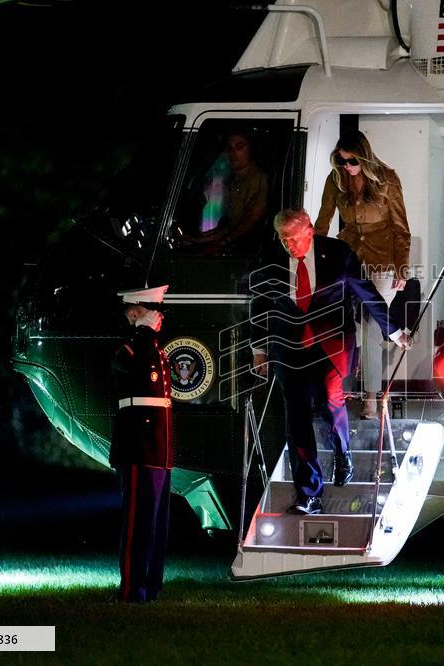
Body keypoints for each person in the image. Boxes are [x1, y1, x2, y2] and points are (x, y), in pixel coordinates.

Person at [251, 209, 411, 515]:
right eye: (283, 239)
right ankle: (309, 494)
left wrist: (395, 331)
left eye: (293, 238)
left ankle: (342, 451)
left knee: (329, 399)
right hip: (289, 347)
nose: (288, 245)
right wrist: (259, 348)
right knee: (296, 418)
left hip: (331, 344)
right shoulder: (270, 257)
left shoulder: (337, 254)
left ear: (309, 231)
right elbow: (259, 303)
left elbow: (368, 295)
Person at [314, 130, 411, 419]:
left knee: (371, 325)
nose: (347, 167)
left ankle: (371, 396)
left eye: (351, 161)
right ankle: (338, 390)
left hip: (383, 259)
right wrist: (313, 258)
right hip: (349, 256)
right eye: (341, 161)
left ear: (364, 157)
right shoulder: (336, 179)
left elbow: (400, 227)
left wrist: (402, 266)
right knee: (341, 323)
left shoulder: (387, 179)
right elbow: (323, 220)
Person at [110, 284, 173, 603]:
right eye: (153, 310)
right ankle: (132, 588)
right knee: (138, 522)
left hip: (158, 449)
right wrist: (143, 332)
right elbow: (133, 374)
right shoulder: (134, 348)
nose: (160, 316)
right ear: (135, 313)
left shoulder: (153, 348)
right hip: (139, 447)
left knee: (156, 523)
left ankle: (151, 585)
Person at [182, 132, 268, 254]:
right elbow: (230, 226)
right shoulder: (236, 181)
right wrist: (200, 239)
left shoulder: (258, 179)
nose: (232, 153)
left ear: (251, 149)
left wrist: (225, 241)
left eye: (239, 147)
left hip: (248, 252)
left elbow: (252, 217)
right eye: (229, 148)